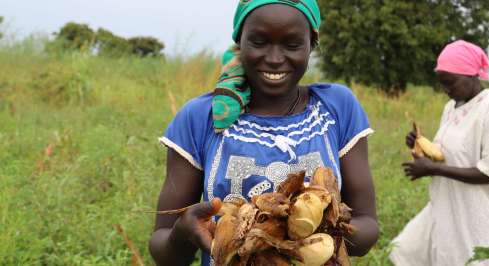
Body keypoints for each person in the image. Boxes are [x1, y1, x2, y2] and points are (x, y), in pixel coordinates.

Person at [148, 1, 379, 265]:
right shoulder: (201, 117)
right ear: (240, 41)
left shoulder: (336, 107)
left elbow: (368, 224)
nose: (274, 58)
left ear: (311, 44)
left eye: (292, 45)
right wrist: (182, 234)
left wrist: (316, 232)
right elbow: (162, 247)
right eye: (259, 42)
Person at [389, 40, 489, 266]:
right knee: (405, 251)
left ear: (471, 75)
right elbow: (447, 155)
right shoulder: (452, 107)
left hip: (479, 215)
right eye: (442, 84)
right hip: (448, 206)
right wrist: (421, 147)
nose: (446, 90)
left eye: (450, 83)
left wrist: (433, 169)